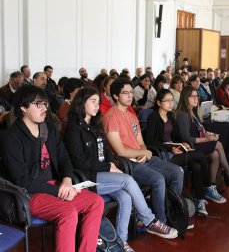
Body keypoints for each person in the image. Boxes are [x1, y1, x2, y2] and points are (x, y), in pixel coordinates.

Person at [64, 88, 178, 249]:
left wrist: (113, 164)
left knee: (125, 197)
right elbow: (79, 162)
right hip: (86, 179)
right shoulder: (73, 129)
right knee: (128, 180)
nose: (97, 106)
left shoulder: (95, 125)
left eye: (98, 102)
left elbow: (107, 152)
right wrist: (108, 167)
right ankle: (150, 220)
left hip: (102, 175)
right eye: (93, 102)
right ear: (81, 104)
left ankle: (121, 242)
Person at [0, 84, 104, 252]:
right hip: (29, 194)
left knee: (96, 202)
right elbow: (22, 180)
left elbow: (64, 158)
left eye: (45, 104)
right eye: (37, 104)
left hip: (55, 185)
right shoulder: (12, 138)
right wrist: (58, 190)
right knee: (68, 212)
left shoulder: (48, 130)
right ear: (23, 108)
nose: (44, 109)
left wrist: (67, 180)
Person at [103, 78, 184, 224]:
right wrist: (142, 153)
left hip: (141, 158)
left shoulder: (132, 115)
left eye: (131, 92)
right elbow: (120, 151)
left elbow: (140, 142)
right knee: (158, 179)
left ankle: (172, 211)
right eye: (125, 93)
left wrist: (144, 152)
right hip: (125, 163)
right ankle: (161, 221)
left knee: (177, 171)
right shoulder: (110, 117)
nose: (130, 96)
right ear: (115, 96)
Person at [144, 89, 215, 215]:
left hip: (175, 150)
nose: (171, 103)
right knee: (200, 156)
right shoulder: (153, 117)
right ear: (159, 103)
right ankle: (208, 186)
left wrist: (183, 143)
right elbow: (150, 141)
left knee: (197, 166)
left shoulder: (170, 116)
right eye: (167, 101)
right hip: (163, 154)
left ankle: (200, 200)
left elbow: (177, 136)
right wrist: (169, 148)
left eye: (172, 100)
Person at [174, 85, 229, 199]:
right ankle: (228, 172)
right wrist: (206, 139)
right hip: (190, 146)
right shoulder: (183, 114)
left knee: (216, 154)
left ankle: (211, 185)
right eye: (192, 96)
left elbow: (199, 129)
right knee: (218, 144)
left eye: (196, 96)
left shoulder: (193, 111)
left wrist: (208, 133)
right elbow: (186, 138)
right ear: (185, 98)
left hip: (198, 143)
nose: (195, 99)